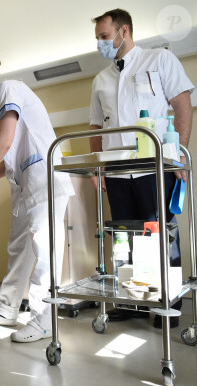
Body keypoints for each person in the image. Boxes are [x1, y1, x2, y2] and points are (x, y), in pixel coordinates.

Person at [0, 53, 75, 343]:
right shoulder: (2, 103)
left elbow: (4, 142)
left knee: (44, 249)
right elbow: (7, 159)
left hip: (44, 178)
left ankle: (43, 319)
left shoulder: (9, 88)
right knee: (19, 247)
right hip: (25, 182)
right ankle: (7, 309)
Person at [89, 9, 194, 328]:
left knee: (157, 234)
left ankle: (167, 304)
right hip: (117, 172)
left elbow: (182, 104)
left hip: (153, 167)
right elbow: (96, 127)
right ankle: (134, 302)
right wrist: (99, 169)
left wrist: (176, 154)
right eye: (97, 39)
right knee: (123, 237)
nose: (101, 44)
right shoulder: (101, 78)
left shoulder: (159, 60)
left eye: (104, 37)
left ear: (124, 31)